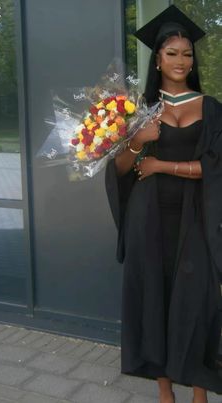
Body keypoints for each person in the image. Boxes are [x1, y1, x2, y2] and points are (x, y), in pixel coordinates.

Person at [105, 5, 222, 403]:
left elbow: (215, 168)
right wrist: (137, 142)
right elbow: (120, 169)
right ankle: (165, 390)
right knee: (154, 296)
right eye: (171, 53)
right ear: (157, 59)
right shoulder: (139, 110)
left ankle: (200, 390)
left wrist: (159, 163)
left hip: (197, 217)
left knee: (198, 299)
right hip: (148, 218)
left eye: (187, 53)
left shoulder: (211, 109)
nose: (181, 60)